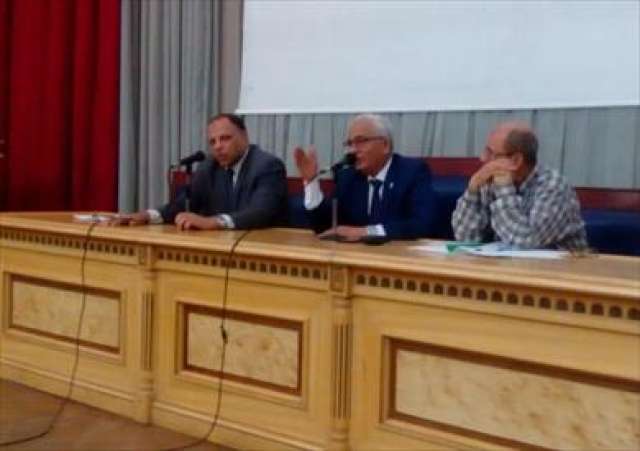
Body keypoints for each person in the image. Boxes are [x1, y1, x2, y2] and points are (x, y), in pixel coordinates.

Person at [113, 114, 287, 230]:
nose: (218, 146)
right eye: (212, 142)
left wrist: (213, 222)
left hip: (259, 249)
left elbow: (260, 212)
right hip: (220, 248)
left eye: (225, 138)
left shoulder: (267, 166)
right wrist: (147, 216)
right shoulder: (209, 167)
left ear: (244, 136)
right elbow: (183, 205)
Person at [293, 114, 437, 241]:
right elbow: (326, 228)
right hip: (355, 258)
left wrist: (366, 232)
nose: (353, 150)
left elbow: (420, 224)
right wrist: (311, 182)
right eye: (350, 144)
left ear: (385, 145)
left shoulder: (412, 172)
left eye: (361, 141)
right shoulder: (347, 177)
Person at [451, 121, 588, 250]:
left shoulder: (553, 186)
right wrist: (472, 191)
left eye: (490, 153)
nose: (483, 158)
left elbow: (526, 242)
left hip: (561, 266)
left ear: (516, 161)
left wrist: (504, 191)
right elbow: (466, 238)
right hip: (506, 265)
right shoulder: (490, 181)